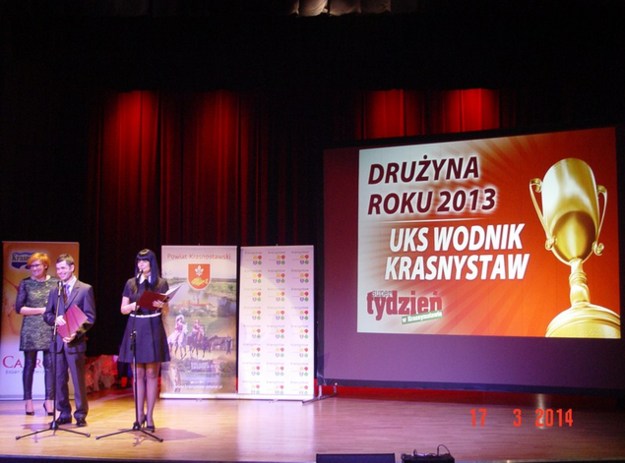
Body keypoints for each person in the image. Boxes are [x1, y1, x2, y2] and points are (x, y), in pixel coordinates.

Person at [118, 249, 170, 432]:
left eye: (145, 261)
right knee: (138, 374)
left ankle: (150, 416)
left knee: (151, 373)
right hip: (135, 326)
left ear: (152, 263)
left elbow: (166, 310)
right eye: (139, 261)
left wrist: (162, 306)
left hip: (153, 327)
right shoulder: (131, 283)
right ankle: (139, 415)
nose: (141, 264)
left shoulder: (160, 283)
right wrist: (134, 305)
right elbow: (123, 309)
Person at [43, 253, 96, 427]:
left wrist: (76, 333)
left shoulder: (85, 289)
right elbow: (47, 314)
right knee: (59, 380)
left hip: (75, 342)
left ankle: (80, 414)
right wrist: (54, 319)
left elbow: (90, 317)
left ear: (72, 268)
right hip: (58, 343)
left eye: (63, 268)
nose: (60, 272)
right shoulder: (55, 290)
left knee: (78, 380)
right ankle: (64, 413)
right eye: (58, 269)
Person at [15, 252, 57, 416]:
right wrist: (42, 310)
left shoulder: (55, 283)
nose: (34, 268)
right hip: (30, 329)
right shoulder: (25, 283)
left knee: (50, 366)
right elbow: (19, 308)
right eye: (31, 266)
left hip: (49, 327)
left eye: (37, 265)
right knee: (29, 365)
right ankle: (28, 401)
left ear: (45, 265)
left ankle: (49, 401)